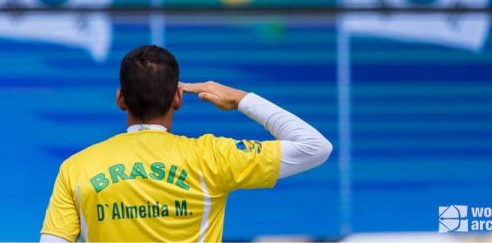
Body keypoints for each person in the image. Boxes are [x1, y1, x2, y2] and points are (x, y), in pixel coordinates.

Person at [40, 45, 332, 242]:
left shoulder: (77, 168)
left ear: (120, 98)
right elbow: (314, 147)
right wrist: (241, 99)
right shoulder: (212, 157)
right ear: (177, 98)